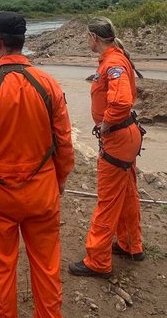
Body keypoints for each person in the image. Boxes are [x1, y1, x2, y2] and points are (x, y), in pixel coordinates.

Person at [0, 11, 74, 317]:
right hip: (43, 190)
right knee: (47, 266)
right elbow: (63, 142)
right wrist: (59, 179)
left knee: (2, 268)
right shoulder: (49, 85)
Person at [69, 17, 145, 278]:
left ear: (94, 38)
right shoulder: (114, 60)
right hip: (126, 136)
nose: (86, 41)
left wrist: (105, 124)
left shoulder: (112, 63)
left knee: (108, 200)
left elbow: (122, 101)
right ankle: (131, 245)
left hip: (118, 138)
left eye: (86, 37)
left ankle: (98, 261)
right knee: (126, 193)